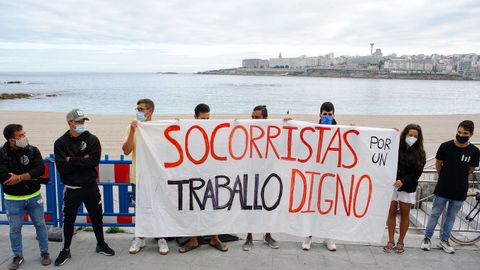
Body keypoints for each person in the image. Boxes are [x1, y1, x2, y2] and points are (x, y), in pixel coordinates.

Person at [53, 109, 115, 266]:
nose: (82, 124)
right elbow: (62, 168)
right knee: (69, 219)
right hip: (71, 188)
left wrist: (71, 160)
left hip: (90, 186)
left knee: (96, 216)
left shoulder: (92, 139)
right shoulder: (60, 143)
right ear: (70, 123)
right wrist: (82, 160)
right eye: (78, 122)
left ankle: (100, 244)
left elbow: (93, 162)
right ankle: (65, 250)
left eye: (83, 121)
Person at [421, 120, 479, 254]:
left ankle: (444, 240)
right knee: (434, 214)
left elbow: (471, 169)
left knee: (451, 217)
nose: (461, 135)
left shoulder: (474, 151)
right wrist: (445, 177)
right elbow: (438, 164)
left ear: (471, 134)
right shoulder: (445, 146)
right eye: (459, 132)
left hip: (459, 190)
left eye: (465, 133)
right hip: (442, 188)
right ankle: (427, 238)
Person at [178, 103, 228, 253]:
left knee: (213, 207)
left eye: (208, 118)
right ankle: (193, 241)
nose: (206, 122)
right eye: (203, 119)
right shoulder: (188, 131)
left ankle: (215, 239)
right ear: (195, 117)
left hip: (210, 175)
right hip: (193, 175)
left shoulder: (213, 130)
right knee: (193, 207)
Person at [0, 124, 51, 269]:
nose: (24, 137)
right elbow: (3, 176)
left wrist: (20, 177)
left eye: (24, 134)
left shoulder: (32, 150)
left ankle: (45, 252)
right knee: (15, 229)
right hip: (13, 199)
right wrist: (29, 175)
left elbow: (40, 169)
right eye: (21, 136)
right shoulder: (2, 154)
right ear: (11, 140)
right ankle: (18, 256)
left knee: (40, 224)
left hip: (34, 196)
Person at [123, 99, 170, 255]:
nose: (138, 111)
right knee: (140, 208)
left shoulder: (158, 129)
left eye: (142, 109)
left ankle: (161, 237)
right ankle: (140, 238)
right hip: (139, 176)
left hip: (157, 177)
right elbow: (126, 150)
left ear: (150, 111)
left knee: (159, 207)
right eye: (137, 108)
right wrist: (132, 131)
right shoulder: (132, 128)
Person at [384, 124, 426, 253]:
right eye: (410, 135)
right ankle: (390, 240)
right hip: (393, 185)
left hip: (407, 187)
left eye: (415, 136)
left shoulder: (420, 153)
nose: (412, 138)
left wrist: (403, 181)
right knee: (391, 212)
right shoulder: (397, 147)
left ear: (419, 138)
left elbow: (417, 173)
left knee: (404, 214)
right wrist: (392, 134)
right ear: (405, 135)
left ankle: (401, 241)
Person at [243, 105, 279, 251]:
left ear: (265, 119)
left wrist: (287, 123)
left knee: (268, 206)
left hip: (268, 176)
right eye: (252, 117)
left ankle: (267, 235)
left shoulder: (274, 133)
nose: (253, 120)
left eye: (257, 118)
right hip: (251, 174)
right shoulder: (247, 131)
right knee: (250, 207)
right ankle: (249, 237)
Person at [302, 101, 337, 252]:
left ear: (333, 115)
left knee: (328, 207)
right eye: (325, 114)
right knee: (312, 206)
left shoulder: (340, 131)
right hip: (315, 174)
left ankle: (327, 236)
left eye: (330, 115)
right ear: (320, 115)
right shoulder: (313, 130)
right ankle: (308, 236)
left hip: (331, 176)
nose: (327, 117)